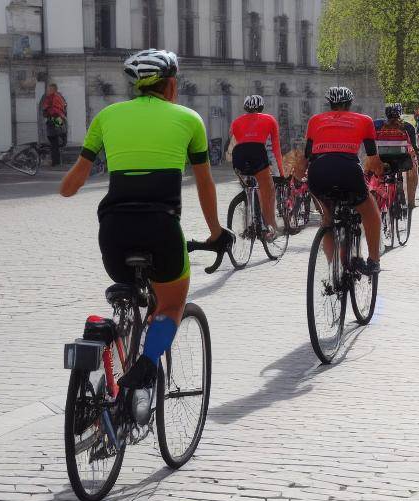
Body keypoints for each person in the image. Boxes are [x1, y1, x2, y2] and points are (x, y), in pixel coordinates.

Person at [59, 49, 230, 417]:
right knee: (171, 303)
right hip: (161, 228)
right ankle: (147, 364)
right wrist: (216, 233)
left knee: (131, 291)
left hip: (113, 232)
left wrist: (70, 181)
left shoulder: (106, 116)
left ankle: (113, 352)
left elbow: (70, 185)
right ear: (171, 84)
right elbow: (205, 185)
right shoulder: (189, 119)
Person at [294, 86, 384, 274]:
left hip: (318, 172)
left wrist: (296, 178)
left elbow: (306, 156)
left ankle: (334, 271)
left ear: (330, 104)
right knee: (370, 212)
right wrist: (380, 173)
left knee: (327, 221)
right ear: (350, 104)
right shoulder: (365, 120)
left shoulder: (315, 121)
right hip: (348, 171)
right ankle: (374, 261)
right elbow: (373, 159)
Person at [229, 95, 284, 238]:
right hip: (257, 153)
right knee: (268, 190)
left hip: (239, 156)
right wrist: (282, 172)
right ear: (261, 108)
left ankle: (248, 225)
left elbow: (235, 143)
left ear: (245, 108)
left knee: (248, 187)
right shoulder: (269, 119)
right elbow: (276, 148)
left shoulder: (236, 122)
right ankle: (269, 228)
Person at [374, 103, 418, 208]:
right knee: (413, 170)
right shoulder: (408, 126)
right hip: (402, 160)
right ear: (400, 113)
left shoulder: (377, 124)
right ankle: (411, 202)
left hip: (382, 159)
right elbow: (413, 147)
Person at [42, 83, 67, 167]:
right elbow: (63, 108)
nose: (48, 91)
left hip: (55, 118)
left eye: (49, 89)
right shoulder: (59, 97)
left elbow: (52, 110)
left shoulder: (53, 97)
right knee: (56, 139)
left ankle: (56, 162)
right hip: (58, 118)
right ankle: (56, 161)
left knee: (54, 140)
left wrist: (47, 111)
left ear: (54, 89)